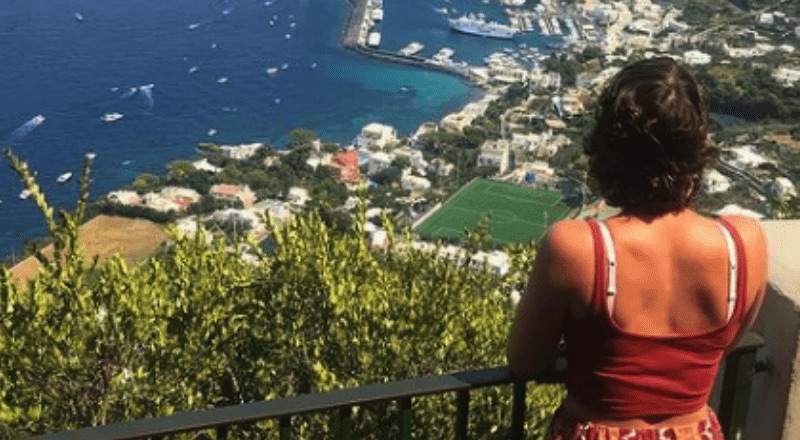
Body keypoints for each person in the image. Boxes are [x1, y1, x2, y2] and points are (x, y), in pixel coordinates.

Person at [507, 57, 768, 439]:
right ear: (697, 147)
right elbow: (724, 344)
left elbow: (524, 362)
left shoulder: (577, 248)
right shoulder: (745, 245)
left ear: (608, 150)